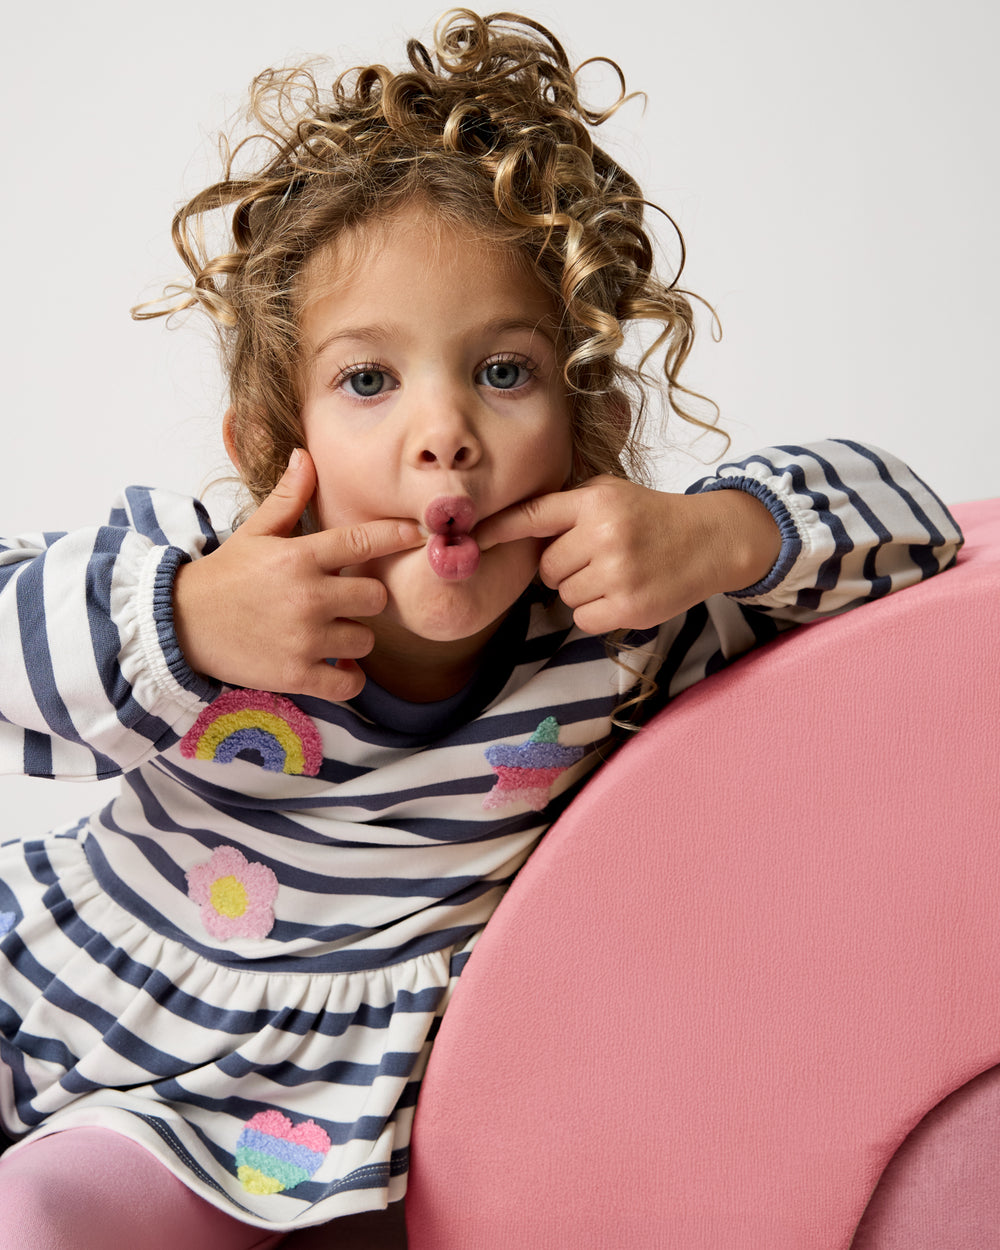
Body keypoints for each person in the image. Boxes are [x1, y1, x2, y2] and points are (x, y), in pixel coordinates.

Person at [0, 10, 962, 1248]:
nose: (441, 430)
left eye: (501, 372)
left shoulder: (617, 633)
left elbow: (914, 525)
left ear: (582, 430)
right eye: (368, 380)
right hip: (69, 998)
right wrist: (183, 619)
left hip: (310, 1134)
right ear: (268, 447)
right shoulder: (210, 585)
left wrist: (715, 532)